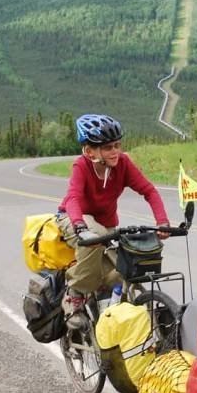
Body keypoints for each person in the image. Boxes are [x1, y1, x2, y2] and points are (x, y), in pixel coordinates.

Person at [57, 113, 170, 325]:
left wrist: (162, 222)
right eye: (108, 147)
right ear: (90, 151)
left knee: (123, 272)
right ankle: (74, 295)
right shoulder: (81, 166)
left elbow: (149, 191)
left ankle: (111, 325)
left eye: (117, 145)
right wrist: (80, 226)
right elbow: (73, 198)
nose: (115, 151)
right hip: (73, 219)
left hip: (106, 225)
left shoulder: (123, 163)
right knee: (96, 237)